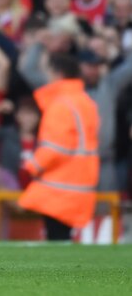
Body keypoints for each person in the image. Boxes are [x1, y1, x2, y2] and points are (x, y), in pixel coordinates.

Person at [19, 53, 100, 240]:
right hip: (79, 184)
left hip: (58, 187)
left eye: (48, 71)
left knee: (56, 241)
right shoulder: (86, 102)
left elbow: (55, 148)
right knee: (62, 240)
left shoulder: (61, 104)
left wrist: (32, 166)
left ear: (58, 73)